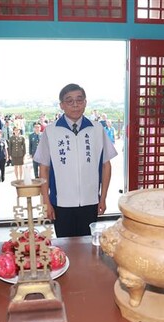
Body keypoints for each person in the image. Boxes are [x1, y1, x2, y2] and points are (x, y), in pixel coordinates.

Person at [34, 83, 118, 237]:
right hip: (61, 202)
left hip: (90, 199)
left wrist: (103, 197)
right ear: (62, 105)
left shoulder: (97, 129)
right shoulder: (51, 131)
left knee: (87, 246)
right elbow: (44, 168)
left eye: (79, 100)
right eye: (69, 101)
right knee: (65, 245)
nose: (75, 105)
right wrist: (45, 201)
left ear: (85, 103)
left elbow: (106, 165)